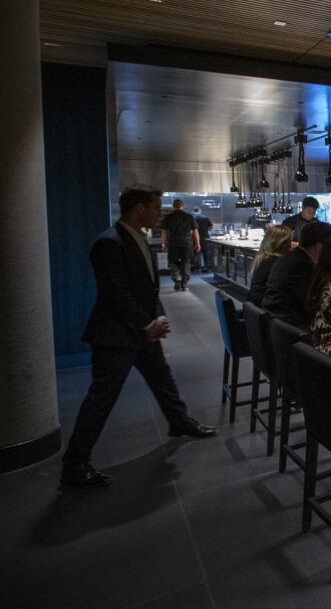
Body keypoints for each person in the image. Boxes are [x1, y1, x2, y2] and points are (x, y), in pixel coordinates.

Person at [60, 185, 216, 489]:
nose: (159, 214)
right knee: (101, 399)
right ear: (138, 208)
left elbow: (147, 286)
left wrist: (156, 316)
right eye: (155, 207)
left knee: (162, 378)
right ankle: (75, 464)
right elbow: (116, 293)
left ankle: (179, 420)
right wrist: (146, 324)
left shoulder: (135, 238)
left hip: (141, 329)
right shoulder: (109, 243)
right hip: (116, 335)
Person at [263, 221, 331, 329]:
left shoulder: (293, 257)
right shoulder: (301, 266)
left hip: (278, 324)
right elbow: (309, 305)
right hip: (291, 331)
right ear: (319, 247)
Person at [247, 225, 293, 306]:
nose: (291, 245)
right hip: (265, 311)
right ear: (280, 243)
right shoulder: (277, 263)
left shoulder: (264, 258)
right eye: (288, 241)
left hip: (254, 310)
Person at [160, 198, 199, 291]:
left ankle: (176, 280)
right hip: (186, 243)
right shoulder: (189, 216)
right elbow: (195, 232)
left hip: (173, 243)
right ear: (182, 206)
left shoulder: (168, 217)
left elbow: (164, 232)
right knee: (185, 262)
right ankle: (184, 284)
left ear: (173, 207)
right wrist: (197, 243)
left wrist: (164, 244)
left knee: (173, 262)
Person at [192, 206, 213, 272]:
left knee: (196, 253)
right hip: (205, 237)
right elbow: (211, 226)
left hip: (196, 238)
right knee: (205, 253)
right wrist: (206, 229)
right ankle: (207, 268)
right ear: (200, 211)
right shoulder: (205, 217)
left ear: (193, 211)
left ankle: (197, 268)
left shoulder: (192, 218)